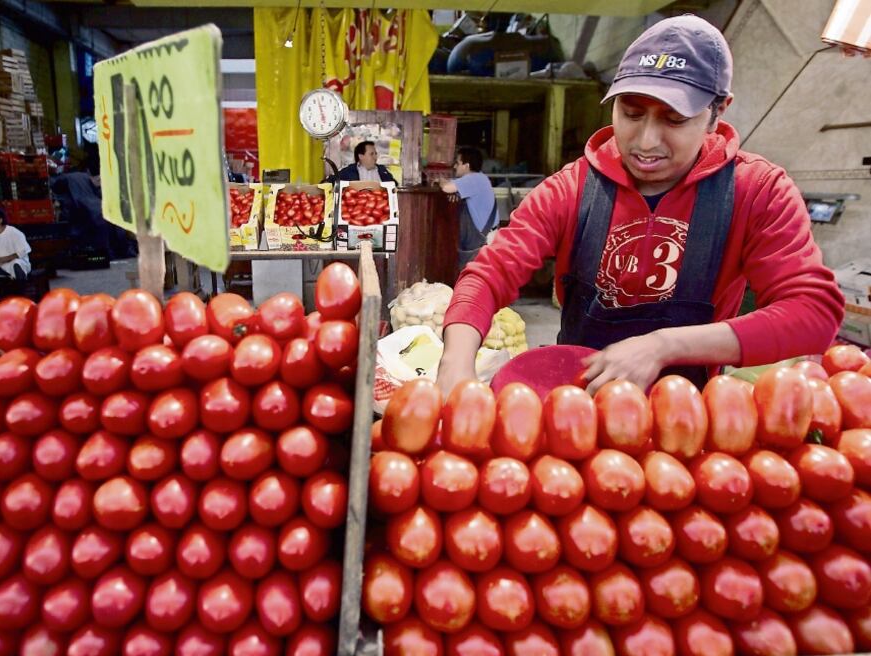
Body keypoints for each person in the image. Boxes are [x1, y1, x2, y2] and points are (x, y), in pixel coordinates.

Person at [437, 15, 844, 396]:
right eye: (631, 113)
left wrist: (664, 346)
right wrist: (456, 365)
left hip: (686, 417)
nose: (646, 141)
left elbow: (813, 313)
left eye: (674, 119)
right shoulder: (573, 188)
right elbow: (489, 275)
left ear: (717, 112)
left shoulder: (756, 191)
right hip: (576, 410)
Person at [440, 146, 497, 268]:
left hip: (482, 243)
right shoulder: (479, 178)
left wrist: (440, 180)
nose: (455, 167)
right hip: (481, 240)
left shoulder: (474, 179)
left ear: (466, 165)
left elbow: (446, 187)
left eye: (457, 163)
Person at [332, 141, 397, 183]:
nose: (375, 157)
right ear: (361, 156)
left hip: (380, 202)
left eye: (375, 154)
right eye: (371, 154)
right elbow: (331, 181)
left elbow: (394, 185)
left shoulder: (382, 170)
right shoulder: (350, 171)